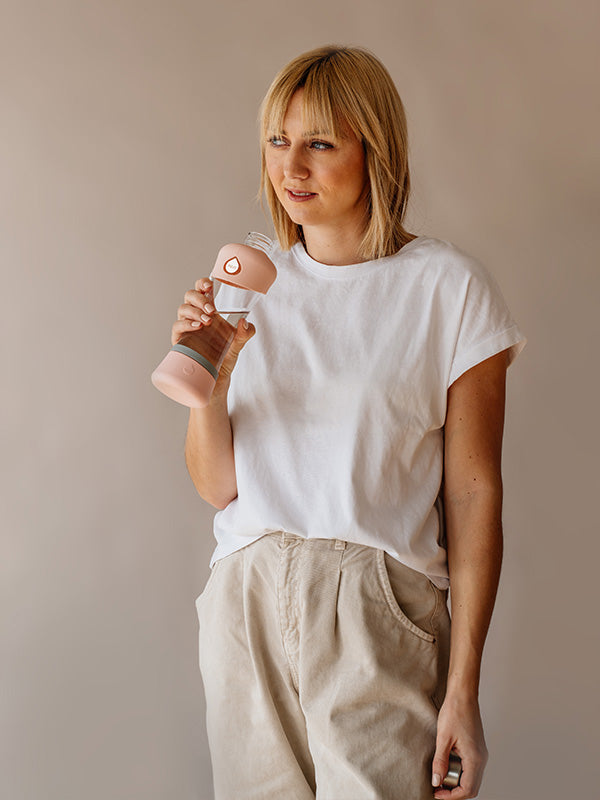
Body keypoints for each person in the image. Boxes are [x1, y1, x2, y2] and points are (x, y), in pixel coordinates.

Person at [170, 45, 526, 800]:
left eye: (320, 143)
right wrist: (211, 383)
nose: (291, 166)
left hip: (375, 604)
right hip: (245, 595)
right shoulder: (246, 281)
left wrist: (463, 689)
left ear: (376, 150)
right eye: (278, 140)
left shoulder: (449, 289)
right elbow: (216, 487)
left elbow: (473, 497)